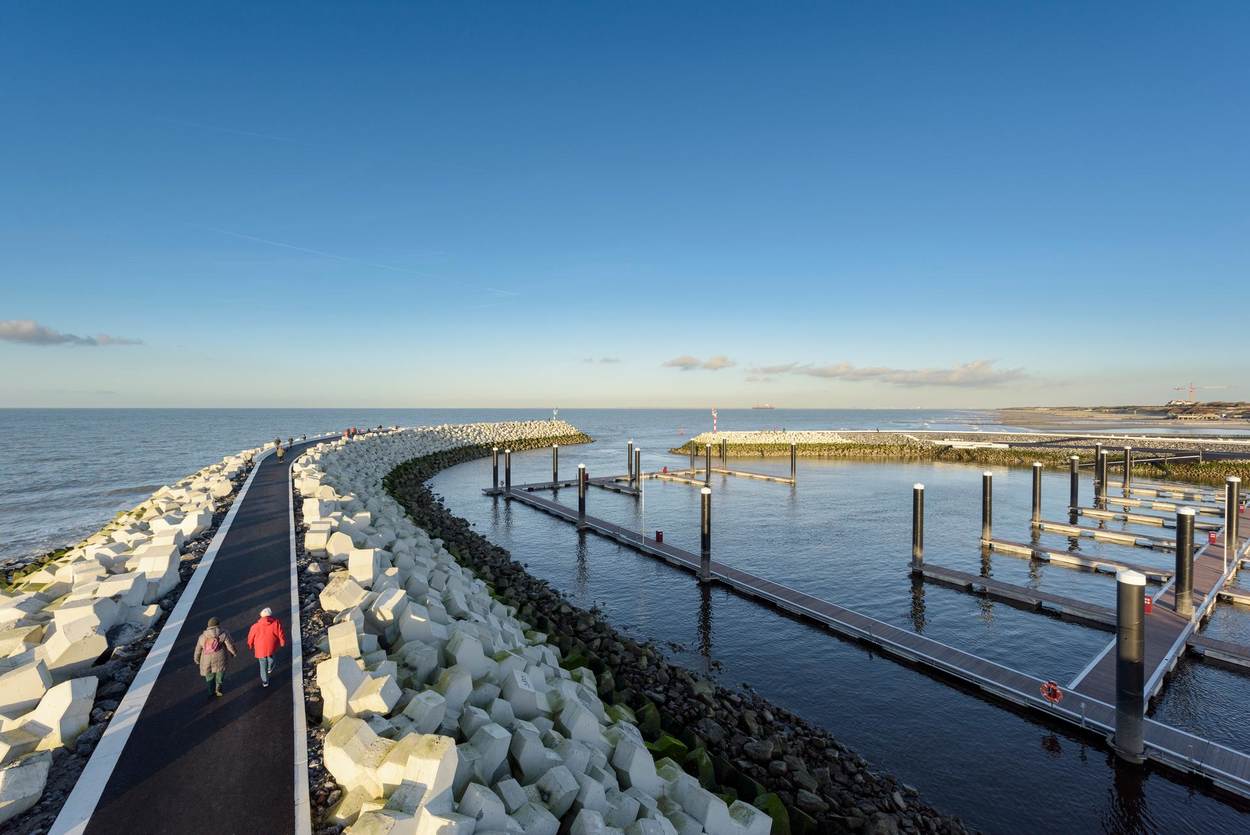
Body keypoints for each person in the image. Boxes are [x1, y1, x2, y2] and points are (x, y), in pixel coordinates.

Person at [194, 617, 237, 697]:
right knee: (220, 674)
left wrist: (196, 659)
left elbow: (198, 650)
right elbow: (230, 645)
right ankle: (218, 689)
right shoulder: (224, 633)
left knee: (209, 676)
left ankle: (211, 691)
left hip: (207, 660)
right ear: (218, 625)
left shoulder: (202, 637)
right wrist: (233, 653)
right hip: (221, 658)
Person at [247, 606, 287, 687]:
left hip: (260, 649)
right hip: (271, 646)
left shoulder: (255, 626)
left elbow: (250, 637)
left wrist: (250, 645)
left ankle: (265, 682)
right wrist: (282, 642)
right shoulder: (276, 623)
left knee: (262, 665)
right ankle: (270, 667)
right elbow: (280, 634)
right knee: (271, 657)